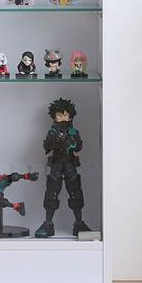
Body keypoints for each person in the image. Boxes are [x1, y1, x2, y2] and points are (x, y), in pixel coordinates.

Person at [35, 98, 90, 238]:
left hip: (70, 164)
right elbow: (46, 146)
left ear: (70, 116)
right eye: (59, 115)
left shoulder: (73, 131)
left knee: (75, 193)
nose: (63, 118)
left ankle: (79, 223)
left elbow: (78, 146)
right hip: (57, 165)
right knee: (51, 193)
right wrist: (56, 140)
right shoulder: (52, 132)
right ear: (54, 117)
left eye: (65, 115)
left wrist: (67, 141)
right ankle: (48, 223)